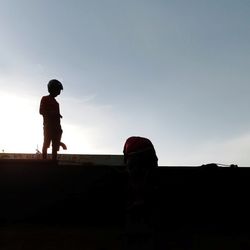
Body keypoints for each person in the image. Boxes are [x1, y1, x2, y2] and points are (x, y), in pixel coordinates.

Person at [39, 79, 67, 160]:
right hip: (48, 126)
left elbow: (57, 117)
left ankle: (53, 161)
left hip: (57, 127)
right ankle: (44, 161)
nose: (59, 92)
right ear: (52, 89)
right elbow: (41, 111)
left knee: (55, 146)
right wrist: (52, 113)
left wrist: (59, 128)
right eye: (58, 90)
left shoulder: (57, 103)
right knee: (46, 143)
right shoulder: (45, 98)